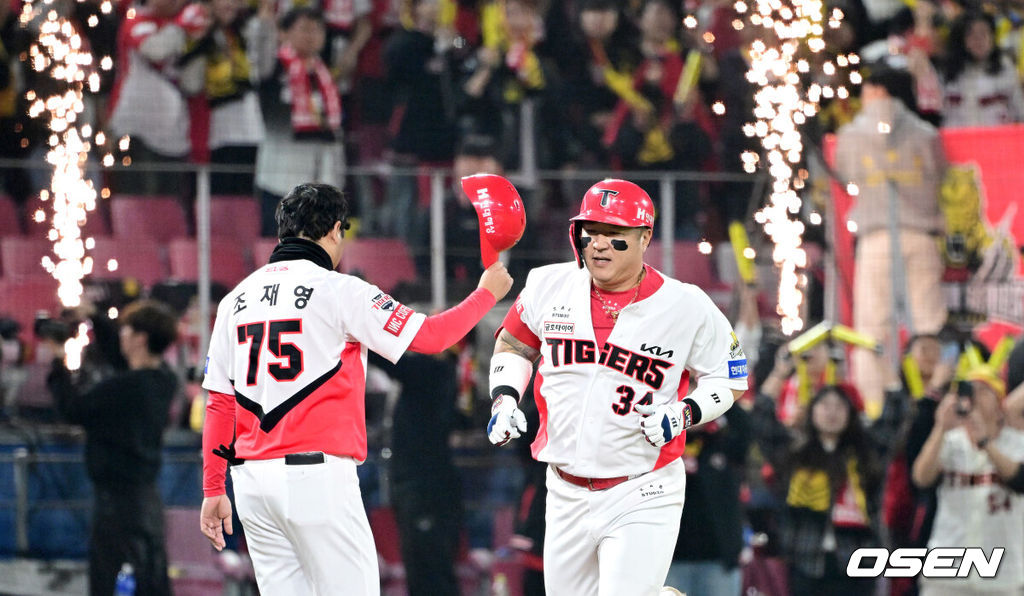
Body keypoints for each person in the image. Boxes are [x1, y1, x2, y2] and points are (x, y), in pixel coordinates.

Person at [199, 183, 512, 594]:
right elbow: (433, 338)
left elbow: (220, 404)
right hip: (315, 478)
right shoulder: (340, 290)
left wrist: (212, 488)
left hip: (252, 484)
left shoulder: (233, 301)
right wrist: (486, 293)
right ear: (333, 230)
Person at [484, 179, 749, 595]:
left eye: (615, 235)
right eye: (592, 231)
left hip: (643, 485)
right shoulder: (547, 284)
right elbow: (515, 343)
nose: (600, 245)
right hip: (564, 487)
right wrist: (503, 398)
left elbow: (731, 376)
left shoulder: (686, 304)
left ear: (645, 238)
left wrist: (684, 413)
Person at [46, 300, 180, 596]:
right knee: (149, 577)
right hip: (145, 501)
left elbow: (74, 409)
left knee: (114, 580)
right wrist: (93, 316)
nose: (121, 335)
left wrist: (58, 361)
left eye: (127, 331)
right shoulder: (163, 380)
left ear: (141, 338)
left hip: (118, 507)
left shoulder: (127, 388)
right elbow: (120, 358)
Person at [835, 65, 947, 418]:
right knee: (929, 325)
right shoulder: (926, 133)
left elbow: (842, 176)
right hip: (922, 235)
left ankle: (875, 405)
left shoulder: (851, 135)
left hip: (875, 237)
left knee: (872, 329)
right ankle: (933, 399)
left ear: (879, 91)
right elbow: (940, 178)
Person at [752, 384, 883, 596]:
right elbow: (761, 421)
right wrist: (779, 373)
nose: (832, 412)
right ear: (811, 410)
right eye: (824, 405)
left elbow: (893, 421)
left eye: (840, 406)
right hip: (804, 562)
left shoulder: (864, 456)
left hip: (857, 562)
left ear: (851, 414)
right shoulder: (795, 454)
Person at [911, 366, 1024, 596]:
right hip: (946, 572)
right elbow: (921, 478)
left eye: (983, 390)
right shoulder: (951, 441)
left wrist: (985, 442)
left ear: (1000, 405)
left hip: (1002, 574)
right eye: (969, 390)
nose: (973, 396)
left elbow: (1019, 480)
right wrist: (941, 428)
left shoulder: (1017, 443)